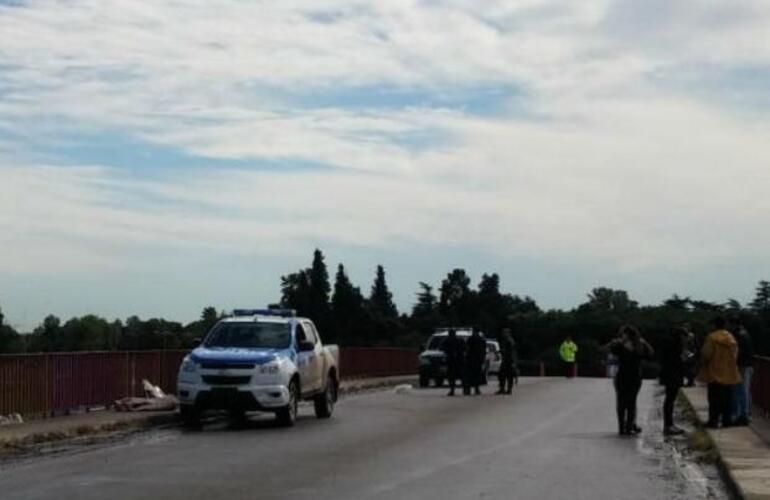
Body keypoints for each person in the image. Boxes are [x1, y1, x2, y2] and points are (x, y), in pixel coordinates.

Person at [607, 325, 654, 436]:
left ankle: (625, 427)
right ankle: (627, 427)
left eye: (623, 334)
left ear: (627, 334)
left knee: (625, 402)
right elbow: (651, 352)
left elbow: (650, 352)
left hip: (627, 376)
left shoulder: (630, 345)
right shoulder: (633, 345)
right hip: (631, 376)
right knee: (628, 402)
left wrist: (619, 343)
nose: (621, 336)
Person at [698, 317, 741, 428]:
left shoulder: (712, 338)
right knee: (727, 400)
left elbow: (706, 354)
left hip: (714, 373)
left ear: (715, 325)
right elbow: (735, 355)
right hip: (729, 374)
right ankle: (727, 421)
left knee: (714, 400)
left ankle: (713, 421)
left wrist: (703, 364)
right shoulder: (731, 338)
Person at [659, 327, 688, 436]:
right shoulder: (677, 347)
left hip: (668, 375)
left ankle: (669, 424)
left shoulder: (669, 345)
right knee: (670, 400)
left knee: (669, 400)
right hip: (673, 375)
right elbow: (682, 360)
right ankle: (668, 425)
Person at [731, 319, 754, 426]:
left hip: (741, 365)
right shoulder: (747, 334)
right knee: (746, 390)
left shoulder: (737, 335)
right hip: (749, 364)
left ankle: (742, 415)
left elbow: (736, 352)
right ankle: (747, 414)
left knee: (740, 390)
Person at [464, 328, 487, 396]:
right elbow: (484, 351)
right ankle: (476, 389)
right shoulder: (481, 339)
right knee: (477, 375)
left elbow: (467, 348)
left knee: (470, 375)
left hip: (471, 359)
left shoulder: (470, 339)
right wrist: (483, 359)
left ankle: (469, 390)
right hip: (477, 359)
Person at [442, 329, 464, 397]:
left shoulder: (446, 341)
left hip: (451, 360)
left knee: (451, 376)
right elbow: (465, 348)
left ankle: (452, 390)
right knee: (461, 375)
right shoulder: (460, 340)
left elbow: (442, 348)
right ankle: (465, 389)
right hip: (458, 360)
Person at [496, 328, 516, 395]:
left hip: (508, 360)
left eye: (504, 333)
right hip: (506, 360)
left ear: (507, 333)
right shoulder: (507, 340)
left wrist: (502, 351)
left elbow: (511, 352)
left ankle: (507, 389)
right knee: (503, 375)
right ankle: (504, 389)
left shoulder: (509, 341)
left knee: (508, 375)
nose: (503, 334)